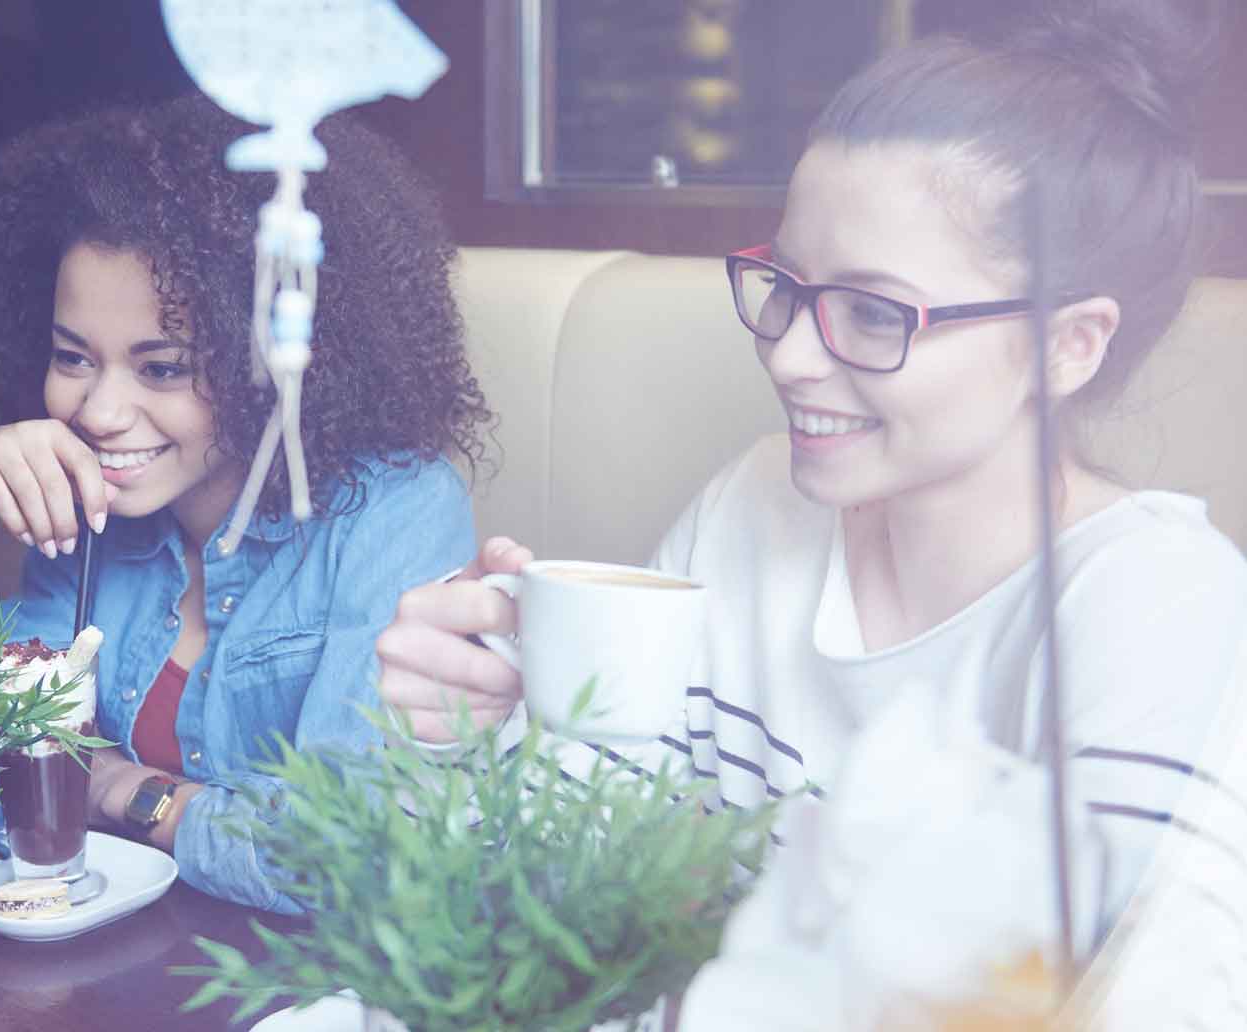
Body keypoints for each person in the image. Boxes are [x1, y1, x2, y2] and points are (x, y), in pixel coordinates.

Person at [373, 0, 1246, 1023]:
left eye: (873, 312)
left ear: (1067, 345)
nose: (786, 353)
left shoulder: (1158, 610)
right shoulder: (748, 508)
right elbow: (567, 919)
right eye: (784, 282)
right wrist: (456, 744)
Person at [0, 95, 490, 912]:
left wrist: (123, 791)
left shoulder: (398, 508)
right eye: (72, 357)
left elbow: (341, 859)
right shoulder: (84, 508)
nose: (100, 412)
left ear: (277, 360)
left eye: (162, 368)